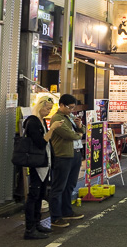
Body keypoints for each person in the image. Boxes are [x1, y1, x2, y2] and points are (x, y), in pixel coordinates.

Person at [23, 97, 63, 239]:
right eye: (47, 108)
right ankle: (29, 229)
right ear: (40, 106)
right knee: (34, 195)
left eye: (50, 109)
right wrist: (52, 129)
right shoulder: (32, 122)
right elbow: (41, 142)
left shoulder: (40, 121)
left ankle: (37, 223)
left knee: (40, 195)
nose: (48, 111)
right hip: (36, 163)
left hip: (44, 162)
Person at [49, 94, 85, 228]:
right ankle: (56, 217)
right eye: (69, 107)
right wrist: (79, 135)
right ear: (62, 105)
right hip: (63, 156)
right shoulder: (57, 118)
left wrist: (79, 126)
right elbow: (69, 135)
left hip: (74, 154)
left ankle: (67, 211)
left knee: (70, 185)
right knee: (58, 187)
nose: (71, 110)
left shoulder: (68, 117)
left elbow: (83, 131)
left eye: (73, 108)